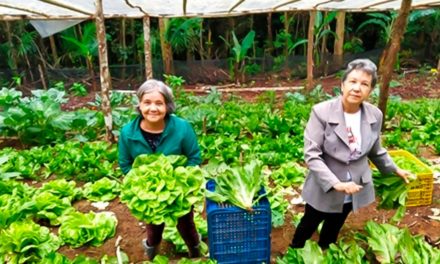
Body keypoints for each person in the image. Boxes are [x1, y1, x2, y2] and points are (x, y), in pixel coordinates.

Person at [290, 58, 412, 249]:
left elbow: (375, 149)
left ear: (370, 90)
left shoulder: (374, 115)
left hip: (355, 184)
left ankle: (325, 250)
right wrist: (335, 183)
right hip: (325, 183)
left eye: (364, 84)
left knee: (335, 223)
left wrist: (395, 170)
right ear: (342, 85)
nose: (357, 88)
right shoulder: (321, 112)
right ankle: (296, 249)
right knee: (311, 221)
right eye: (353, 81)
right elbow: (312, 154)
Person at [118, 79, 202, 259]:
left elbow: (194, 157)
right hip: (149, 195)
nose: (153, 108)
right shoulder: (127, 132)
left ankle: (195, 251)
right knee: (154, 227)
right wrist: (141, 185)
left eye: (159, 103)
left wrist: (180, 185)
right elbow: (125, 164)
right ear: (139, 105)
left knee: (186, 224)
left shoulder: (182, 128)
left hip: (179, 191)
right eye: (147, 103)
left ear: (167, 106)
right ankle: (151, 251)